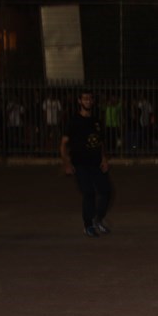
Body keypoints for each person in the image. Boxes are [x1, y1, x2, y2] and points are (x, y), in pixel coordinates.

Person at [60, 89, 112, 238]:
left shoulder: (96, 121)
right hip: (80, 163)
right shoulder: (74, 121)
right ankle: (87, 225)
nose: (88, 101)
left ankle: (98, 220)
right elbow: (63, 144)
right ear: (79, 101)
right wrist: (66, 163)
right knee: (88, 192)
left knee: (106, 191)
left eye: (90, 98)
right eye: (85, 98)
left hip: (96, 162)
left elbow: (100, 141)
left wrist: (104, 158)